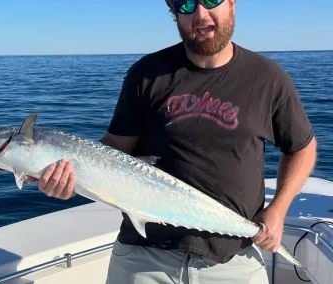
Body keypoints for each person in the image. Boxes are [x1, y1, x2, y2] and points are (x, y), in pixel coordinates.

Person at [26, 0, 317, 283]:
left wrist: (277, 210)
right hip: (144, 257)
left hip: (232, 257)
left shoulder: (268, 78)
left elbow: (301, 148)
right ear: (174, 14)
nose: (200, 15)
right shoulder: (146, 74)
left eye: (211, 0)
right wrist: (68, 173)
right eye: (186, 5)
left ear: (232, 4)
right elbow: (116, 146)